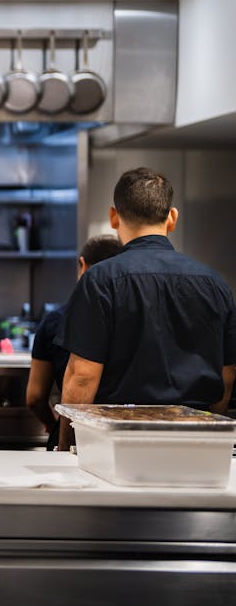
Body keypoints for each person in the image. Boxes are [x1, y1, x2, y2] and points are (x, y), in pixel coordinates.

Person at [57, 167, 236, 450]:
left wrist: (66, 444)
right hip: (197, 439)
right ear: (172, 218)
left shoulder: (100, 280)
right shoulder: (215, 283)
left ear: (114, 217)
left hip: (119, 440)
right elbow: (226, 375)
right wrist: (213, 436)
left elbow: (82, 376)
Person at [25, 234, 124, 450]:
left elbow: (34, 397)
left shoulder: (56, 320)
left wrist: (54, 426)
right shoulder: (132, 318)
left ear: (82, 265)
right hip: (122, 438)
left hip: (76, 435)